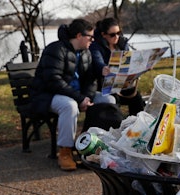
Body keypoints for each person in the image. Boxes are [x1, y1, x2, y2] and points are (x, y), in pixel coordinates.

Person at [29, 19, 116, 171]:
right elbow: (53, 81)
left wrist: (86, 97)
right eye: (90, 36)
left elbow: (90, 80)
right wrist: (80, 98)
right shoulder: (55, 50)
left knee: (108, 99)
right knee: (69, 106)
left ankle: (95, 145)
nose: (93, 40)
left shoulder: (86, 53)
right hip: (48, 95)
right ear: (78, 36)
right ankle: (65, 152)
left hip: (77, 96)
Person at [90, 17, 145, 116]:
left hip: (123, 83)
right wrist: (104, 68)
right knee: (115, 102)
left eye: (118, 33)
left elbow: (130, 61)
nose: (117, 36)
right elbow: (97, 62)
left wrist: (141, 67)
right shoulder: (95, 46)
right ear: (104, 35)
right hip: (104, 85)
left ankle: (138, 126)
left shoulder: (122, 44)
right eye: (112, 34)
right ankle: (118, 127)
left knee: (137, 98)